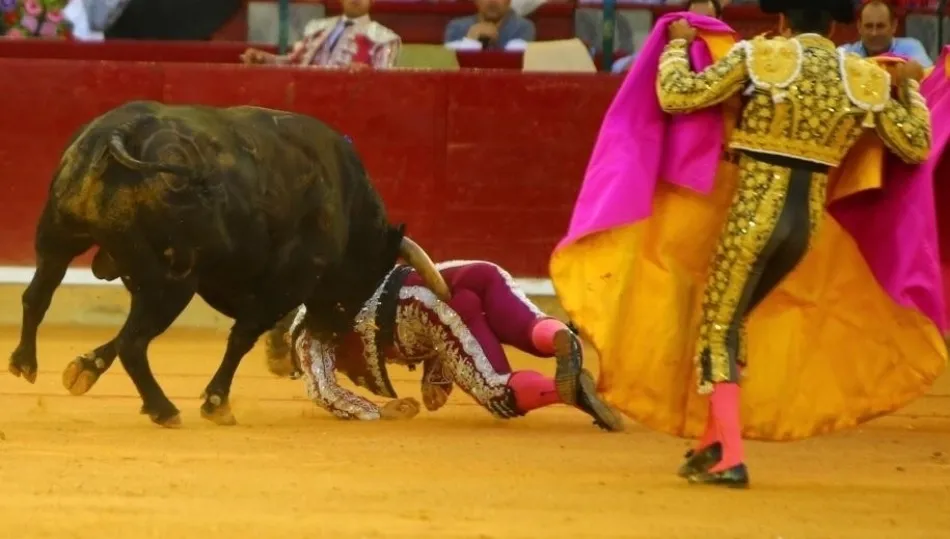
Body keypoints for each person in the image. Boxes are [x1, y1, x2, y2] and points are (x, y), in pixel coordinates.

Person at [551, 0, 945, 490]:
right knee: (732, 321)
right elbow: (913, 145)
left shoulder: (765, 59)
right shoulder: (861, 77)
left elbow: (678, 96)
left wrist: (675, 49)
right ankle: (710, 442)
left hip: (755, 219)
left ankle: (730, 456)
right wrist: (908, 86)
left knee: (716, 324)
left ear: (783, 19)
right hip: (804, 229)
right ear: (837, 23)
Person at [267, 260, 624, 430]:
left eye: (288, 369)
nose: (297, 369)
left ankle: (569, 392)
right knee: (524, 327)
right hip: (462, 273)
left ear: (285, 340)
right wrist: (437, 373)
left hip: (430, 308)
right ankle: (561, 336)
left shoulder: (307, 330)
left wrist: (377, 410)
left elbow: (323, 390)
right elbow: (431, 331)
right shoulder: (340, 279)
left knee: (497, 393)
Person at [241, 0, 400, 70]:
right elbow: (294, 63)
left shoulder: (384, 39)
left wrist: (366, 74)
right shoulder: (318, 28)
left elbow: (383, 84)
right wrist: (266, 60)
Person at [838, 0, 932, 68]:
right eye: (868, 26)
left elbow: (928, 78)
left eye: (880, 26)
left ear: (894, 26)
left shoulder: (911, 47)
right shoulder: (844, 53)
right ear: (859, 27)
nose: (874, 33)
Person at [444, 0, 535, 52]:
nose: (492, 2)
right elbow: (453, 70)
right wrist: (471, 41)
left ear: (509, 1)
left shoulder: (523, 27)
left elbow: (513, 65)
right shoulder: (456, 27)